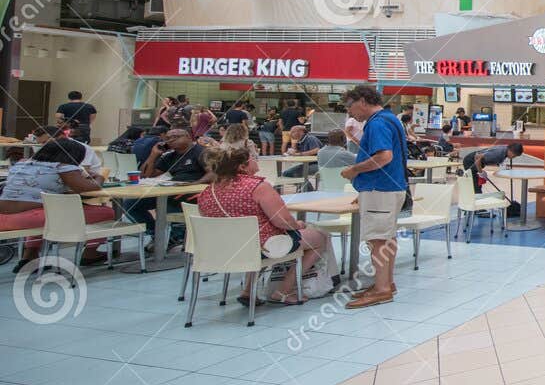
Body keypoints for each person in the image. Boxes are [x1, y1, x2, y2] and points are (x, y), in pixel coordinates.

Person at [196, 143, 328, 305]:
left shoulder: (206, 193)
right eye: (253, 158)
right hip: (260, 248)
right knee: (320, 238)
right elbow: (283, 221)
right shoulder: (258, 187)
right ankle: (284, 290)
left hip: (224, 250)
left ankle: (248, 291)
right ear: (243, 166)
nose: (256, 161)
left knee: (252, 238)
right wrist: (299, 224)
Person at [340, 85, 408, 308]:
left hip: (380, 188)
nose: (350, 113)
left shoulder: (377, 123)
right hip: (388, 187)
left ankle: (382, 289)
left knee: (378, 240)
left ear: (362, 101)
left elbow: (384, 156)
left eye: (350, 107)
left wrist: (355, 170)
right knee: (387, 238)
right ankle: (386, 283)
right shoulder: (390, 118)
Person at [0, 137, 117, 262]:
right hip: (27, 219)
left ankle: (30, 255)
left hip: (3, 217)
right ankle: (90, 252)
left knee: (46, 211)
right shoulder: (63, 167)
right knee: (106, 212)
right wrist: (99, 177)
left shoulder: (22, 163)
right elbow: (88, 187)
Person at [128, 126, 208, 245]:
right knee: (131, 204)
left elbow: (213, 173)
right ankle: (156, 233)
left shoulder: (201, 152)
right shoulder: (170, 156)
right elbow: (146, 175)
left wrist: (195, 183)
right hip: (172, 191)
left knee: (169, 203)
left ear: (188, 137)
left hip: (194, 193)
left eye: (175, 137)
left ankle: (176, 236)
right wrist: (153, 155)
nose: (171, 140)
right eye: (168, 138)